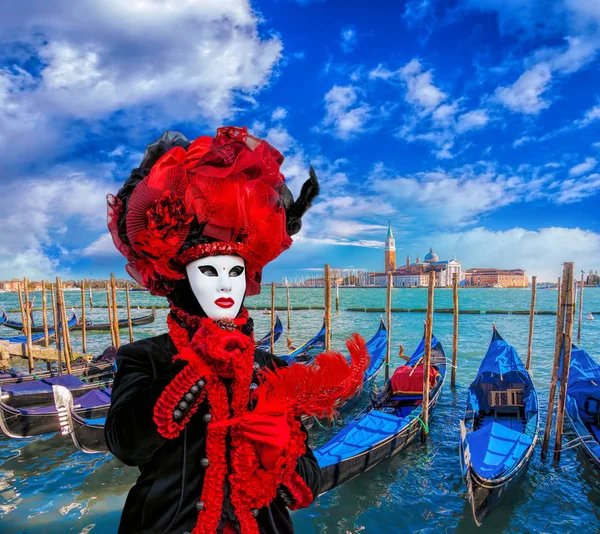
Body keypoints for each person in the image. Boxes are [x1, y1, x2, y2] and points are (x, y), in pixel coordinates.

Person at [104, 127, 369, 534]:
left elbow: (306, 488)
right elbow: (126, 445)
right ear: (181, 278)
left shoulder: (272, 369)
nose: (227, 285)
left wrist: (280, 450)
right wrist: (197, 368)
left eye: (236, 271)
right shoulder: (146, 357)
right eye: (209, 271)